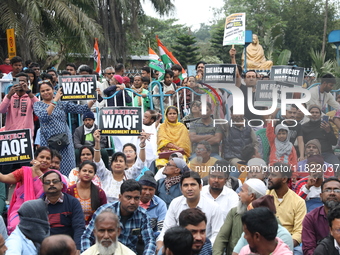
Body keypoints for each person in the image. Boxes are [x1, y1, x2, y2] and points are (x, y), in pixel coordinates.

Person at [33, 80, 96, 176]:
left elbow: (81, 109)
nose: (46, 92)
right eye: (43, 91)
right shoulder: (38, 105)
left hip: (65, 141)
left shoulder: (62, 103)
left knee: (68, 169)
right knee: (50, 168)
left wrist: (94, 99)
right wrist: (54, 101)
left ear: (53, 89)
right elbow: (44, 116)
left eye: (48, 90)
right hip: (48, 141)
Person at [0, 147, 66, 233]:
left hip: (46, 210)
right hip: (21, 209)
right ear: (35, 158)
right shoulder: (24, 172)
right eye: (42, 157)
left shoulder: (54, 174)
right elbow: (5, 178)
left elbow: (51, 186)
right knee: (16, 226)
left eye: (48, 158)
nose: (44, 160)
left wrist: (38, 171)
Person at [81, 180, 156, 255]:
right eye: (128, 197)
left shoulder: (143, 215)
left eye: (136, 198)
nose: (132, 202)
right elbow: (87, 236)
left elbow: (150, 240)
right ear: (120, 197)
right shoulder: (103, 211)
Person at [156, 171, 223, 251]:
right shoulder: (175, 203)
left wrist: (204, 249)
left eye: (193, 185)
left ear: (200, 187)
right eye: (186, 185)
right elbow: (167, 229)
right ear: (181, 188)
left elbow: (217, 234)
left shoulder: (213, 207)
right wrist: (160, 245)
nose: (189, 189)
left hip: (204, 247)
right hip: (179, 247)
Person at [213, 178, 267, 255]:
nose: (238, 194)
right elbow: (221, 238)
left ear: (251, 196)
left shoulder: (268, 218)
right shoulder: (234, 212)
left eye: (242, 191)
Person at [93, 129, 147, 202]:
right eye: (115, 161)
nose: (118, 163)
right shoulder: (105, 175)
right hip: (107, 210)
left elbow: (140, 163)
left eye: (121, 161)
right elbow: (97, 162)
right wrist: (97, 142)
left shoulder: (129, 174)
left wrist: (142, 145)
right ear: (111, 165)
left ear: (125, 165)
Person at [267, 162, 306, 254]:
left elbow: (299, 232)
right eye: (269, 174)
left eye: (273, 175)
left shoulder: (298, 202)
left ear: (284, 179)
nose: (269, 177)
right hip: (266, 241)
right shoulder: (265, 197)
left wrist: (284, 246)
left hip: (288, 243)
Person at [42, 170, 85, 251]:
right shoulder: (38, 205)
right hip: (46, 248)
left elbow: (79, 227)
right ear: (43, 187)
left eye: (55, 181)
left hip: (68, 247)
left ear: (61, 185)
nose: (51, 184)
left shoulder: (73, 202)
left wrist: (78, 249)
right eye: (47, 182)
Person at [302, 177, 340, 255]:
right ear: (321, 195)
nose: (332, 193)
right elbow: (308, 249)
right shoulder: (311, 218)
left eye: (336, 190)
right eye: (328, 190)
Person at [66, 161, 107, 225]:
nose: (87, 173)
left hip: (94, 227)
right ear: (79, 172)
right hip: (72, 225)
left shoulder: (99, 192)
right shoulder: (70, 191)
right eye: (84, 171)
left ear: (94, 175)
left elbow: (103, 212)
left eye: (90, 172)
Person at [0, 72, 38, 138]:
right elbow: (1, 110)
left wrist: (29, 92)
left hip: (26, 135)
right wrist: (9, 95)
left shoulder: (31, 97)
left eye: (23, 81)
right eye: (18, 81)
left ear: (28, 84)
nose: (20, 83)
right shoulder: (9, 97)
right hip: (10, 134)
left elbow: (39, 107)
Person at [138, 171, 167, 237]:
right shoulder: (132, 202)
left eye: (151, 189)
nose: (147, 192)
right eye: (144, 189)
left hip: (152, 238)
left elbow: (162, 229)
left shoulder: (160, 204)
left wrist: (149, 236)